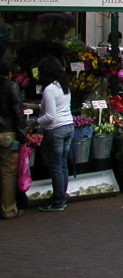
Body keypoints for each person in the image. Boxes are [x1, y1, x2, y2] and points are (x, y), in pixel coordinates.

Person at [33, 55, 72, 212]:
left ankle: (58, 200)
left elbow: (50, 116)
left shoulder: (49, 89)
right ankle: (62, 196)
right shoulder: (63, 86)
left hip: (56, 129)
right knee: (62, 164)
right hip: (69, 125)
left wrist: (36, 122)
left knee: (56, 166)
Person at [0, 58, 27, 219]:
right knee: (8, 173)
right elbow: (18, 111)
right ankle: (8, 208)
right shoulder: (12, 87)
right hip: (7, 133)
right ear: (10, 73)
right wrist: (22, 135)